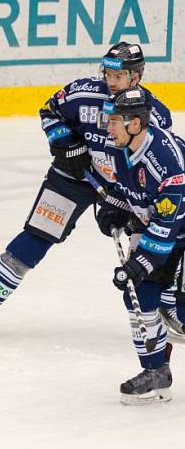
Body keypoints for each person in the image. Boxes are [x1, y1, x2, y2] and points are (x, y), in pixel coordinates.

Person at [0, 42, 173, 340]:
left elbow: (152, 160)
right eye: (107, 73)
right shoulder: (83, 92)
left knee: (151, 250)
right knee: (35, 239)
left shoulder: (154, 114)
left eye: (118, 76)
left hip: (126, 188)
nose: (110, 81)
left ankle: (166, 306)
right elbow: (49, 110)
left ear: (136, 77)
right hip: (73, 178)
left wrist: (125, 199)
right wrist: (65, 144)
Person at [95, 86, 184, 404]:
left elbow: (166, 227)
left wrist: (138, 262)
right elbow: (126, 187)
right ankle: (156, 370)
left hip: (177, 231)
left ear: (135, 123)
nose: (108, 127)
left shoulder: (166, 160)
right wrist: (114, 205)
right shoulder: (122, 147)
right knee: (139, 297)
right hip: (170, 231)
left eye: (114, 121)